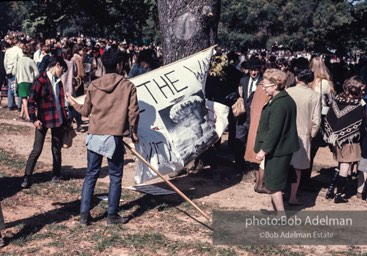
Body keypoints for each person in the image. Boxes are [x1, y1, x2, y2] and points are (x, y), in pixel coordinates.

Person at [66, 47, 140, 225]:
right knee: (115, 176)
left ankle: (84, 215)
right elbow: (134, 113)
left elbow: (85, 111)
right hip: (114, 137)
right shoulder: (127, 86)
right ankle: (112, 215)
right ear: (120, 64)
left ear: (103, 64)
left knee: (91, 175)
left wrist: (73, 103)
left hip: (94, 135)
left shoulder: (94, 85)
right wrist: (134, 134)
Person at [254, 68, 299, 212]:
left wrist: (263, 150)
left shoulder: (279, 104)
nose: (264, 89)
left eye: (265, 86)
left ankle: (281, 216)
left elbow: (274, 131)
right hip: (282, 148)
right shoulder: (285, 99)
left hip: (278, 150)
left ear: (275, 86)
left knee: (274, 185)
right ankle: (276, 212)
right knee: (275, 181)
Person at [21, 56, 68, 188]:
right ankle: (27, 176)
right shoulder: (40, 80)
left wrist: (65, 119)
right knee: (37, 149)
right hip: (42, 120)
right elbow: (31, 102)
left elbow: (61, 102)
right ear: (58, 65)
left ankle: (56, 174)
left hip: (58, 119)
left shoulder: (58, 82)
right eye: (62, 70)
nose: (62, 73)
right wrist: (34, 119)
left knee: (56, 148)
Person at [323, 76, 366, 203]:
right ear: (356, 89)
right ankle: (339, 194)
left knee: (341, 163)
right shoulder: (358, 105)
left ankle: (331, 190)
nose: (363, 92)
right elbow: (361, 124)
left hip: (336, 139)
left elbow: (330, 118)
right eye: (362, 89)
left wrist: (334, 134)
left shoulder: (337, 100)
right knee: (345, 166)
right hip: (350, 141)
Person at [287, 69, 321, 206]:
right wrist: (311, 134)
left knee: (285, 164)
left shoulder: (288, 92)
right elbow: (316, 120)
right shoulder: (315, 95)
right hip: (303, 133)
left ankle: (282, 192)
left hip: (286, 132)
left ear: (296, 78)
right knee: (298, 168)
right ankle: (293, 196)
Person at [244, 80, 270, 194]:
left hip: (255, 125)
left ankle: (258, 182)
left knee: (257, 157)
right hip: (262, 127)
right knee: (262, 158)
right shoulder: (267, 90)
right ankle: (260, 184)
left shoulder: (259, 87)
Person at [13, 44, 40, 120]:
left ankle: (28, 116)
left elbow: (14, 71)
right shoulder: (31, 61)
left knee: (24, 99)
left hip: (21, 81)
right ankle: (21, 114)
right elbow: (37, 73)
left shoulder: (19, 60)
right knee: (26, 98)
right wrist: (33, 77)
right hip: (30, 81)